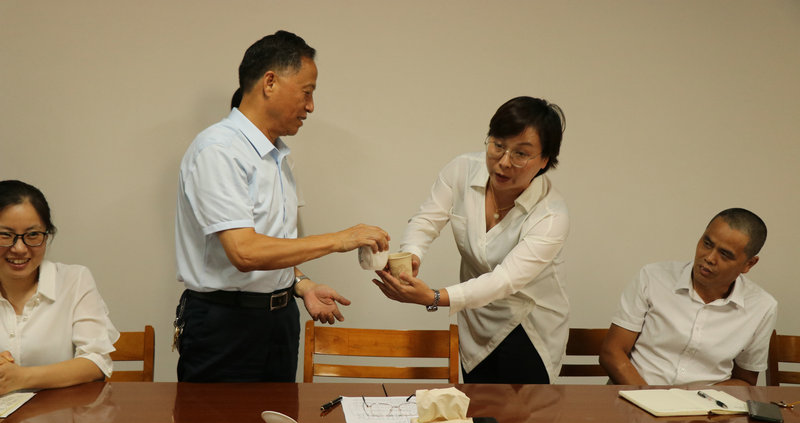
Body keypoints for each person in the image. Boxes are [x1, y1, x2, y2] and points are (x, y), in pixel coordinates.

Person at [175, 31, 389, 383]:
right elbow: (244, 252)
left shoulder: (278, 157)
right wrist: (340, 239)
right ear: (270, 82)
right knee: (218, 422)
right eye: (307, 92)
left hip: (280, 319)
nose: (311, 106)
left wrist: (301, 284)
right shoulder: (219, 150)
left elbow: (273, 244)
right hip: (226, 326)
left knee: (280, 420)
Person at [374, 96, 568, 384]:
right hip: (475, 320)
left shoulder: (551, 215)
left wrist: (434, 297)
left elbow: (504, 280)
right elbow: (426, 220)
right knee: (476, 408)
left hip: (528, 327)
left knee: (524, 412)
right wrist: (412, 254)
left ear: (544, 160)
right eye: (498, 145)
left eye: (520, 154)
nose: (504, 162)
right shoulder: (461, 170)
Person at [599, 208, 777, 386]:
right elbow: (612, 353)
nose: (709, 258)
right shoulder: (652, 277)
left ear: (749, 264)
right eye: (707, 243)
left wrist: (697, 399)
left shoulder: (762, 307)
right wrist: (650, 398)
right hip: (635, 393)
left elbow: (744, 381)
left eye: (724, 254)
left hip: (706, 401)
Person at [0, 180, 118, 395]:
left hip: (58, 414)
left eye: (33, 235)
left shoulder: (74, 280)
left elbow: (96, 362)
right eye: (5, 235)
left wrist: (21, 377)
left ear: (47, 235)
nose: (19, 248)